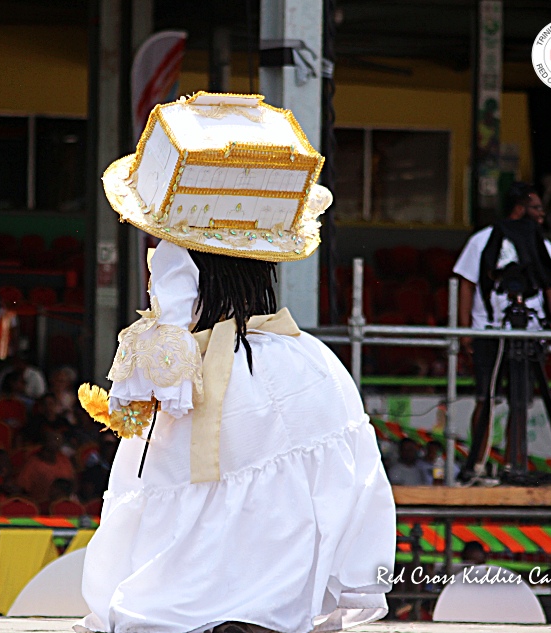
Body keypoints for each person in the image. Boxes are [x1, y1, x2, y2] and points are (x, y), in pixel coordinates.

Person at [78, 95, 395, 633]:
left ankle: (206, 602)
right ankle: (261, 603)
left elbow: (172, 314)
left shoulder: (176, 271)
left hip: (206, 374)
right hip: (261, 364)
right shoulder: (314, 366)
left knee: (186, 485)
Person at [453, 182, 551, 480]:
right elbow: (466, 284)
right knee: (486, 397)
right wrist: (465, 330)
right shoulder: (483, 240)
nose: (542, 215)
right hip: (489, 330)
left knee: (521, 401)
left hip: (529, 331)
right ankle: (476, 464)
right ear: (519, 208)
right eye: (537, 207)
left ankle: (512, 464)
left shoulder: (543, 244)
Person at [16, 428, 75, 505]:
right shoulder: (32, 463)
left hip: (63, 506)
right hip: (40, 507)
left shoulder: (64, 460)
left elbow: (73, 483)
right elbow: (23, 489)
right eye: (55, 439)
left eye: (59, 439)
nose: (58, 442)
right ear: (45, 442)